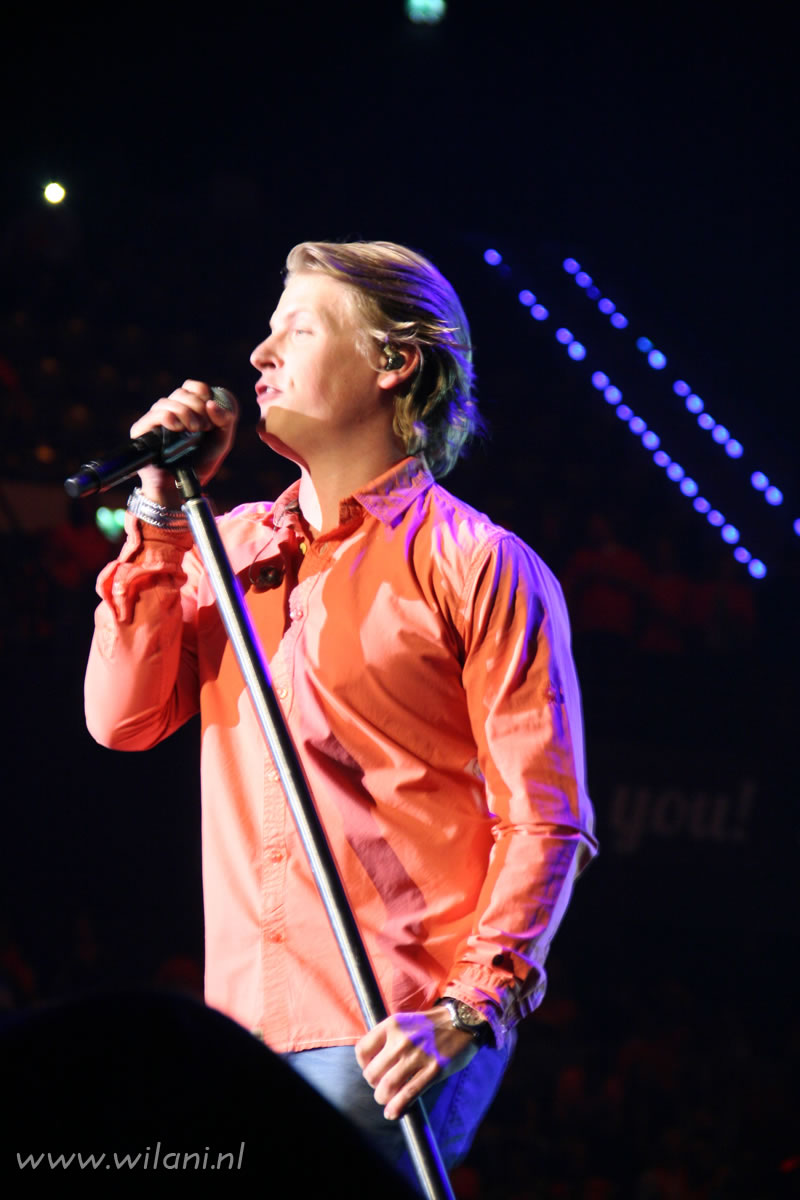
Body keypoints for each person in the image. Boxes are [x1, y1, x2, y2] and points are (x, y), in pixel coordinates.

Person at [84, 240, 597, 1184]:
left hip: (392, 1028)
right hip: (244, 1026)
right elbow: (121, 718)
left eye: (300, 328)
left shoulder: (479, 563)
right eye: (267, 330)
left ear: (393, 361)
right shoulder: (229, 547)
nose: (260, 354)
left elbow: (546, 819)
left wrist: (468, 1012)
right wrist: (158, 516)